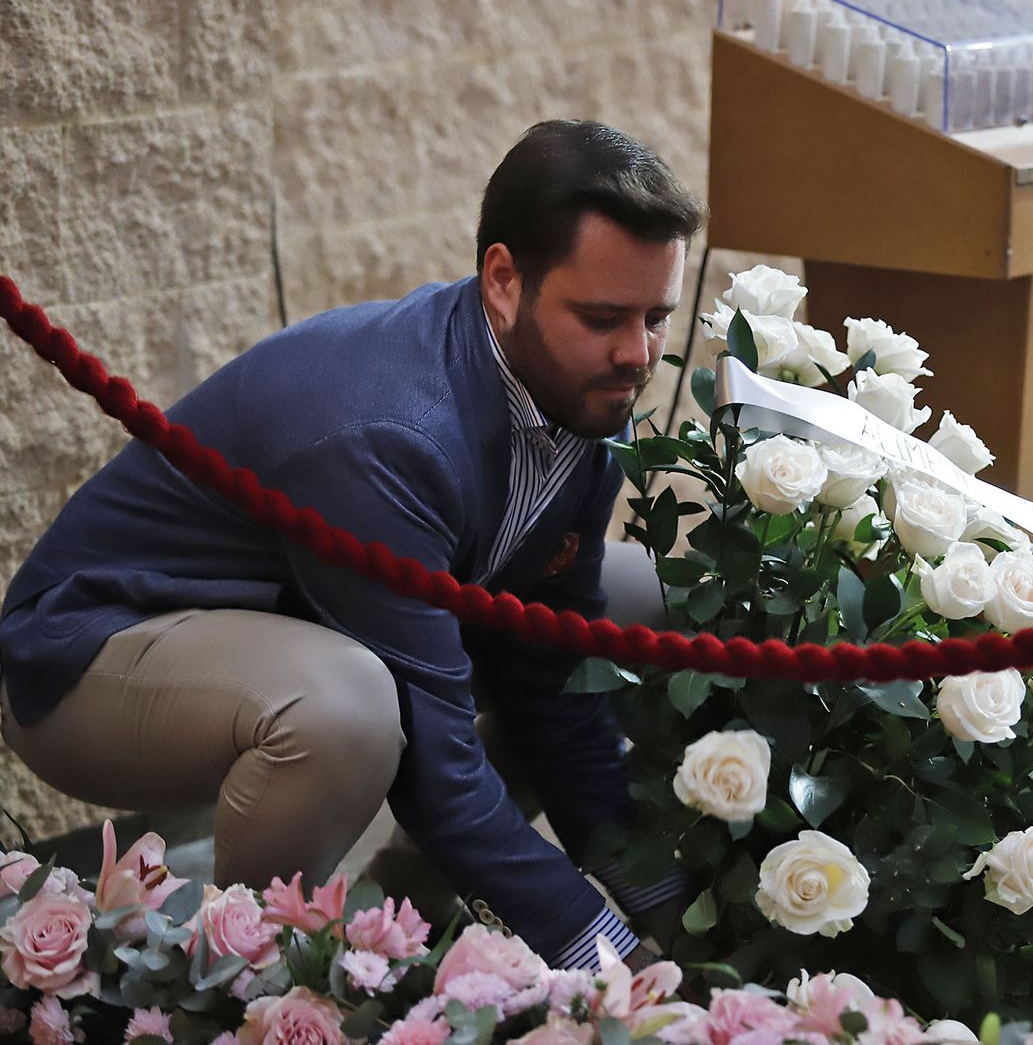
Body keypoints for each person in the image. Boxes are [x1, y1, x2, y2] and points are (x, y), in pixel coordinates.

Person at [0, 120, 704, 973]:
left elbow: (554, 680)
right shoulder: (391, 435)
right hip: (90, 659)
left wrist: (674, 908)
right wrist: (606, 957)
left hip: (287, 628)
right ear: (505, 281)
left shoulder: (580, 385)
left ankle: (409, 916)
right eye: (603, 318)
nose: (638, 355)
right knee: (352, 712)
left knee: (639, 606)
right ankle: (241, 976)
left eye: (656, 317)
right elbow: (432, 750)